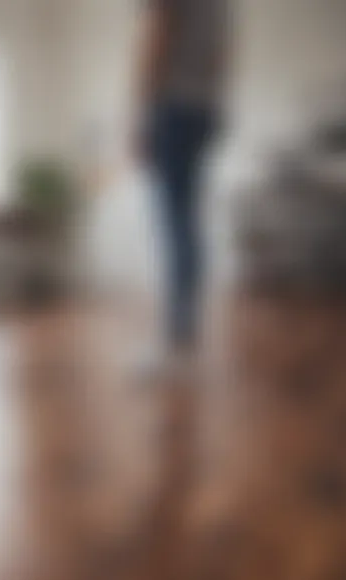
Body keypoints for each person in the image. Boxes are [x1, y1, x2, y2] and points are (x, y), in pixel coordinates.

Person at [132, 0, 230, 367]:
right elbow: (222, 50)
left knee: (174, 223)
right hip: (203, 107)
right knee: (188, 222)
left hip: (171, 107)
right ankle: (186, 333)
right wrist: (213, 102)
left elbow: (156, 38)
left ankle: (177, 344)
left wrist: (141, 116)